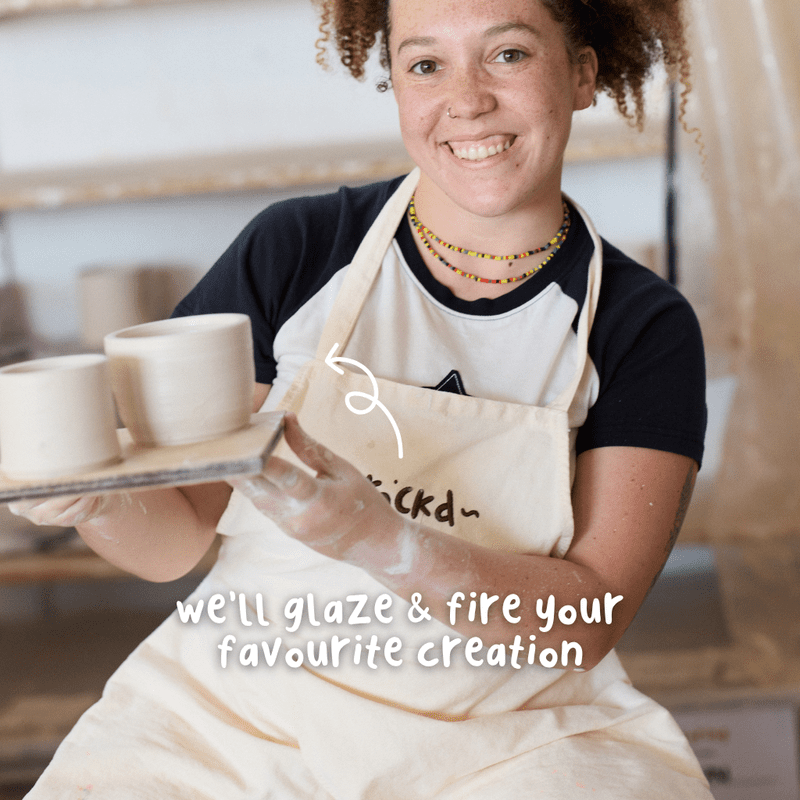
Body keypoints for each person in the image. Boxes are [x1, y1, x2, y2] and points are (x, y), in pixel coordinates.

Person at [13, 0, 712, 797]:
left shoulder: (640, 325)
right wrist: (91, 502)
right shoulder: (299, 251)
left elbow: (584, 622)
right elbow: (172, 542)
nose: (467, 98)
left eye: (508, 55)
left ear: (582, 73)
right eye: (425, 65)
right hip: (234, 713)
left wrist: (380, 539)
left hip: (508, 737)